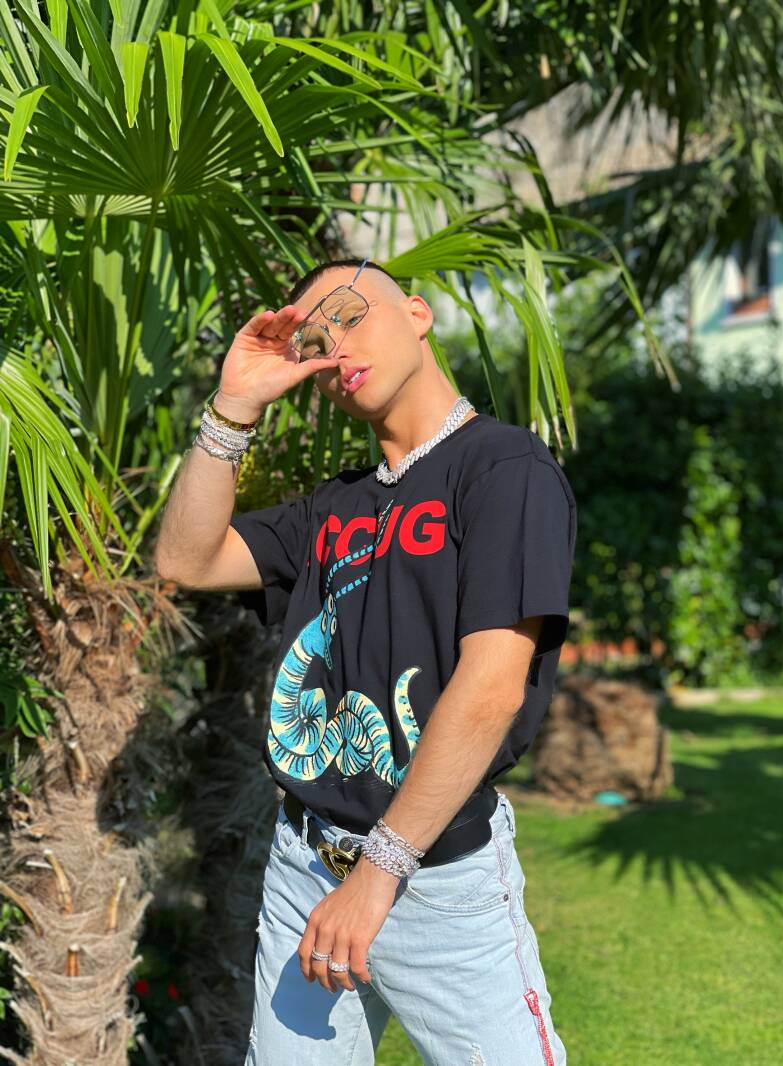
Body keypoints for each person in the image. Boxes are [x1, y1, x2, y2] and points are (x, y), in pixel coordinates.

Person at [154, 257, 577, 1065]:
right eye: (314, 344)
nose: (335, 348)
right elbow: (184, 559)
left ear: (416, 314)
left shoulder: (504, 468)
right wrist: (234, 404)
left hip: (437, 879)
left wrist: (377, 874)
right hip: (305, 868)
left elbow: (492, 687)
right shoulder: (334, 506)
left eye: (349, 316)